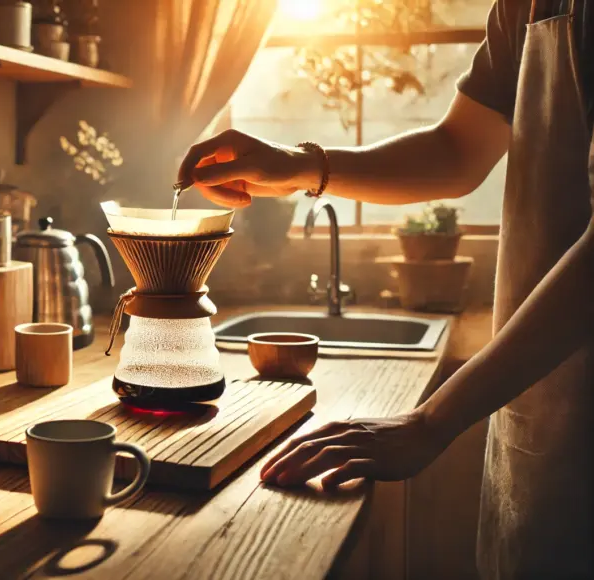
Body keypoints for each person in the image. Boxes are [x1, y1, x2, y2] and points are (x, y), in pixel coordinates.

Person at [177, 1, 593, 578]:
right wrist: (300, 167)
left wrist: (431, 421)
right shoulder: (519, 6)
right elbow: (458, 151)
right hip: (536, 392)